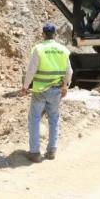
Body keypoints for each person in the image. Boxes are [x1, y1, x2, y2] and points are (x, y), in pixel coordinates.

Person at [20, 23, 73, 163]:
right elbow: (69, 71)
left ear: (43, 35)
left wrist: (25, 87)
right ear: (55, 35)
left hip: (40, 91)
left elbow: (31, 70)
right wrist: (65, 86)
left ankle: (35, 153)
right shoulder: (63, 49)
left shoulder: (38, 49)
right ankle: (51, 151)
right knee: (54, 119)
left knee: (34, 119)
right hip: (56, 91)